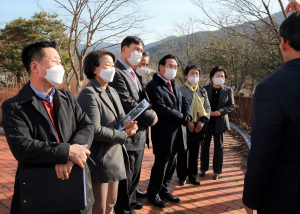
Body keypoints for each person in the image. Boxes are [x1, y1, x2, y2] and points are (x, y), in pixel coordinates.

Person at [1, 41, 94, 214]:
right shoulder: (13, 106)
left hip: (76, 182)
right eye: (55, 61)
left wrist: (72, 154)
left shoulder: (67, 97)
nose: (60, 66)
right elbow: (22, 147)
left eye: (60, 61)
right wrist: (65, 152)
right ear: (35, 67)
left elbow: (86, 125)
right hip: (40, 190)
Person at [243, 11, 300, 214]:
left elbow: (263, 149)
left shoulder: (272, 87)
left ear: (283, 43)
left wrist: (251, 196)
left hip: (286, 195)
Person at [77, 50, 138, 214]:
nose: (112, 69)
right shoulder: (89, 93)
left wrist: (129, 125)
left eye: (113, 65)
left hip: (115, 157)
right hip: (100, 160)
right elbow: (94, 130)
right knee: (99, 207)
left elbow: (119, 120)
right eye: (107, 65)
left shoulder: (113, 91)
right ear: (95, 69)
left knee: (111, 204)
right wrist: (124, 135)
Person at [109, 36, 158, 214]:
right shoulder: (118, 72)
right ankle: (124, 209)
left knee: (134, 175)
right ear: (124, 50)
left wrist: (150, 111)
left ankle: (130, 203)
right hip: (129, 134)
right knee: (126, 177)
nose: (139, 53)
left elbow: (142, 99)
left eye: (140, 50)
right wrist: (151, 117)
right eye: (136, 49)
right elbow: (128, 103)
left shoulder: (132, 71)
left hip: (139, 133)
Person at [146, 54, 192, 208]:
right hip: (164, 133)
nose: (173, 69)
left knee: (172, 163)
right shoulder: (153, 85)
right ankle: (153, 193)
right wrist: (182, 117)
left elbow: (184, 100)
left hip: (178, 132)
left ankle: (165, 190)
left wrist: (188, 115)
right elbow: (161, 108)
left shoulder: (174, 83)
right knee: (161, 165)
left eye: (175, 67)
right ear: (161, 67)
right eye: (170, 66)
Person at [176, 65, 210, 186]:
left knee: (195, 153)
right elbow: (178, 108)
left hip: (198, 127)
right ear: (186, 75)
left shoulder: (202, 91)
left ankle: (193, 175)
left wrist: (202, 121)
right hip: (184, 125)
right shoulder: (179, 90)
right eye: (192, 73)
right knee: (182, 152)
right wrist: (187, 122)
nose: (194, 76)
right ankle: (182, 176)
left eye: (196, 74)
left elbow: (207, 107)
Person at [200, 66, 234, 180]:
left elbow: (231, 105)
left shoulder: (228, 90)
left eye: (222, 76)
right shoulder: (204, 89)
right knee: (204, 146)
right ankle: (203, 169)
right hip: (207, 122)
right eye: (218, 76)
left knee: (219, 148)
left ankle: (217, 171)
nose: (220, 78)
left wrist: (221, 112)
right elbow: (200, 103)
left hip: (220, 122)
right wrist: (207, 112)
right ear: (212, 77)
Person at [132, 51, 150, 198]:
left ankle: (135, 190)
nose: (144, 67)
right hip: (133, 129)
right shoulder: (129, 77)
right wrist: (150, 115)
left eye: (146, 65)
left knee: (138, 166)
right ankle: (130, 197)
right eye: (142, 64)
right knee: (130, 168)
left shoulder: (140, 78)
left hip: (142, 130)